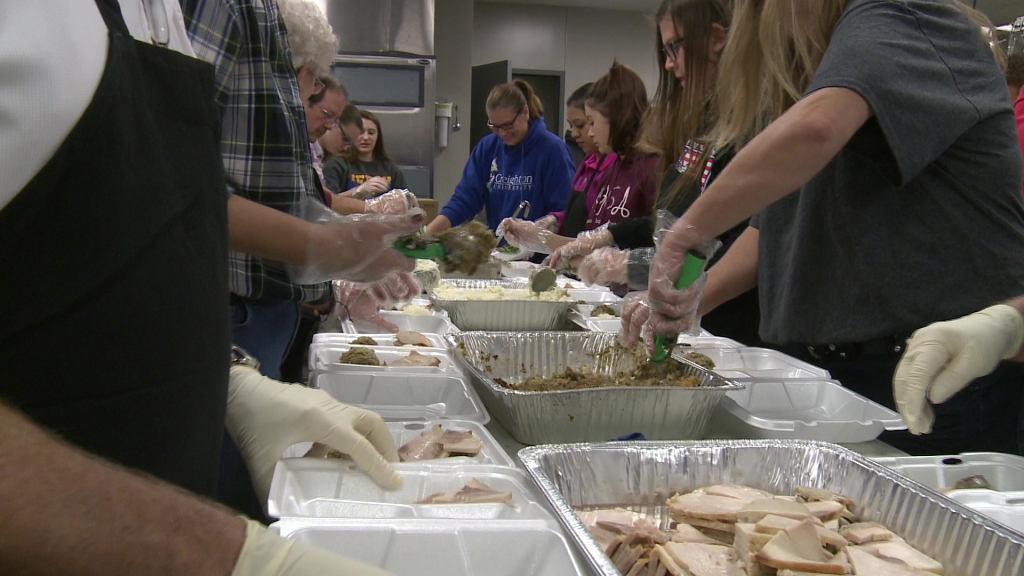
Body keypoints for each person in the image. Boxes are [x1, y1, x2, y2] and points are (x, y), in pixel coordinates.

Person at [0, 1, 403, 574]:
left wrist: (230, 376)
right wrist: (224, 554)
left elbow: (152, 217)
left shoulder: (160, 12)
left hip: (160, 486)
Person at [642, 0, 1024, 456]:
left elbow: (818, 127)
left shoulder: (902, 19)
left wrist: (686, 234)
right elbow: (773, 231)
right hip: (832, 377)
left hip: (939, 371)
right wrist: (694, 296)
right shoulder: (807, 74)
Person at [499, 63, 659, 266]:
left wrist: (546, 241)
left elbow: (657, 242)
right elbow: (589, 241)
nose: (589, 133)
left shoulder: (650, 168)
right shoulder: (612, 167)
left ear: (617, 118)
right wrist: (548, 242)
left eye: (591, 122)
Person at [425, 79, 575, 235]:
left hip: (540, 256)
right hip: (501, 251)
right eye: (495, 127)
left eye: (508, 125)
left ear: (525, 112)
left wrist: (539, 233)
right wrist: (427, 235)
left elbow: (564, 211)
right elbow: (464, 200)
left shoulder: (553, 150)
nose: (503, 133)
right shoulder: (487, 148)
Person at [322, 109, 408, 197]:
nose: (366, 137)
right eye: (360, 132)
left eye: (371, 133)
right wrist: (358, 191)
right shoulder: (336, 165)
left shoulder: (390, 168)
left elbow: (404, 198)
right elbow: (330, 202)